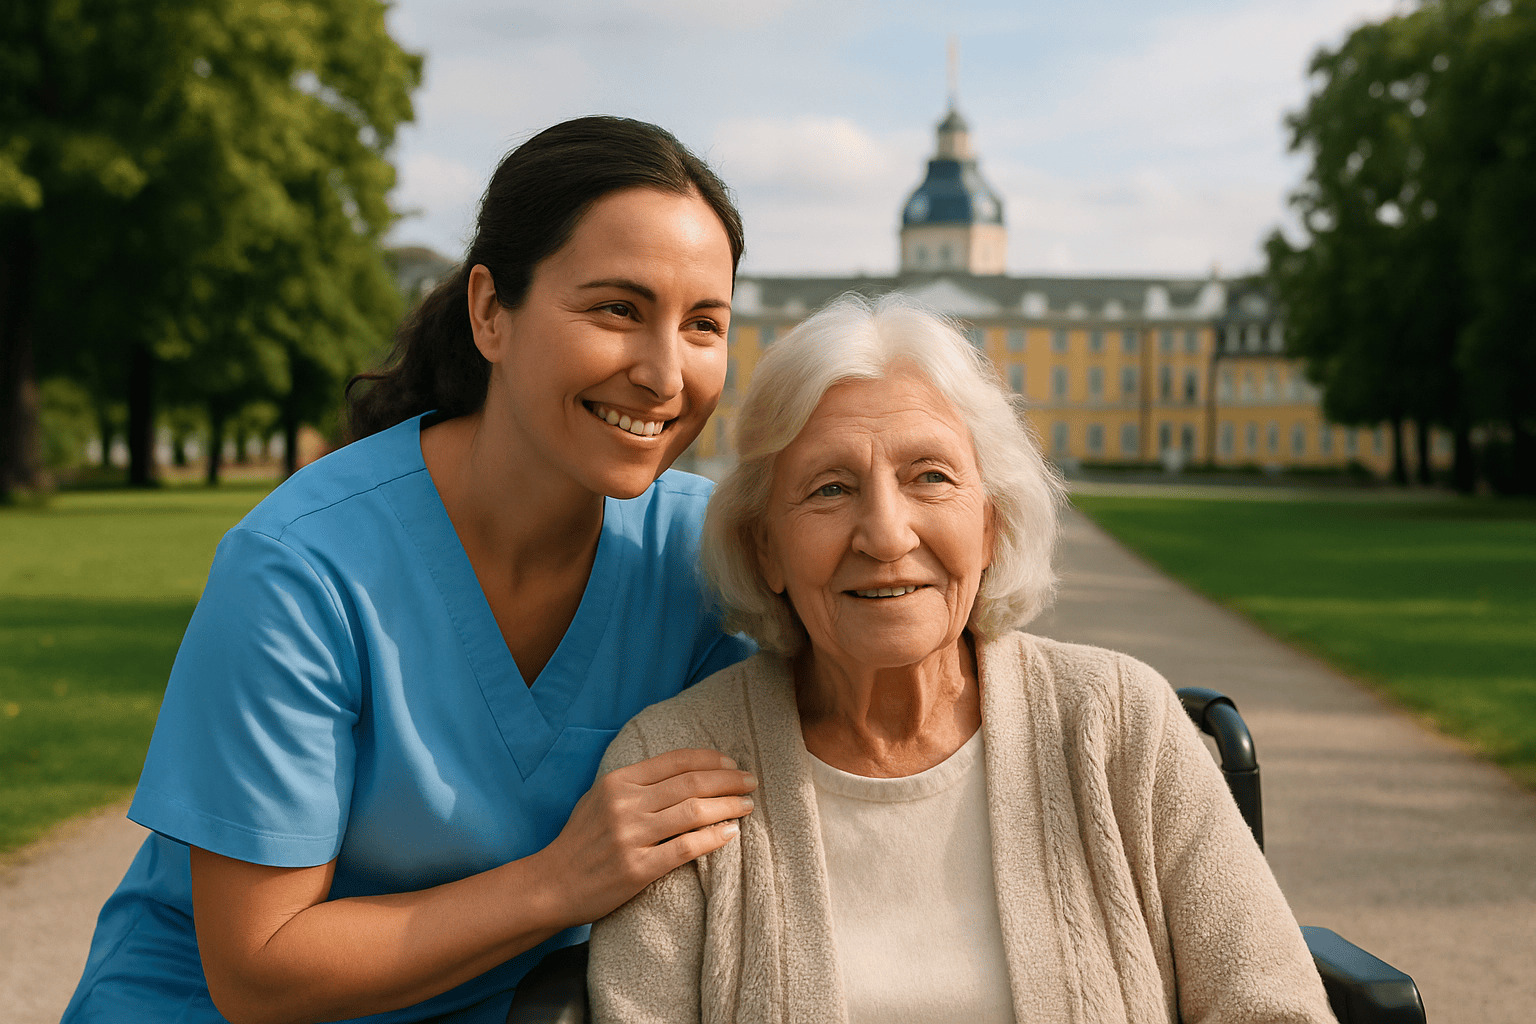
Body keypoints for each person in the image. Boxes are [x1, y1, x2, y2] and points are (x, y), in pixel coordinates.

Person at [62, 116, 760, 1024]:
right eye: (617, 309)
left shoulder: (703, 562)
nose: (666, 373)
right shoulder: (301, 569)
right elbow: (259, 971)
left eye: (703, 324)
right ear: (488, 312)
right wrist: (560, 882)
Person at [588, 294, 1335, 1024]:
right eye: (831, 487)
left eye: (931, 477)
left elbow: (1273, 1006)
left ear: (990, 524)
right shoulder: (671, 766)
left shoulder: (1121, 722)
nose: (885, 534)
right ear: (764, 547)